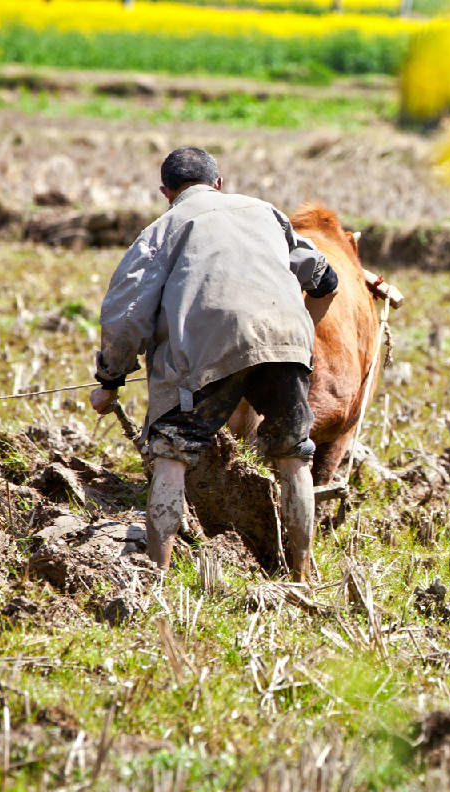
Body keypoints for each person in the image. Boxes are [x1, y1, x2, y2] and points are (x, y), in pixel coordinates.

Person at [89, 147, 339, 581]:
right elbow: (325, 279)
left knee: (170, 454)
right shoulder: (267, 214)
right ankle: (302, 573)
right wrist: (302, 339)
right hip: (286, 344)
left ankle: (157, 576)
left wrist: (109, 379)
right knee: (294, 456)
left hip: (206, 350)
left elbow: (126, 315)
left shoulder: (163, 229)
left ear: (166, 192)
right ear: (218, 182)